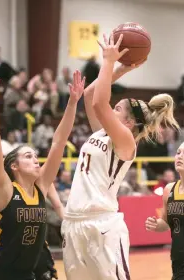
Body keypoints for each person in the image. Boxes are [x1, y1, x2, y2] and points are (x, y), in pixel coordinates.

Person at [61, 33, 179, 280]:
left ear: (129, 121)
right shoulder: (102, 133)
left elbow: (98, 103)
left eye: (117, 108)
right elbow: (91, 95)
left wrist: (108, 61)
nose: (111, 109)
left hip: (101, 225)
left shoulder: (125, 141)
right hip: (74, 221)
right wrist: (121, 69)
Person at [0, 65, 85, 280]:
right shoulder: (5, 190)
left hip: (26, 274)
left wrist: (72, 103)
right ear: (14, 166)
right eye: (28, 156)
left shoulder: (41, 188)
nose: (36, 160)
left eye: (35, 156)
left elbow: (58, 142)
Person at [0, 183, 63, 280]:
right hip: (11, 244)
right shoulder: (8, 181)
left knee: (43, 273)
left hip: (36, 245)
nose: (36, 166)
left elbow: (58, 205)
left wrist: (68, 226)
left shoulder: (42, 180)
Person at [145, 142, 184, 280]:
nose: (180, 156)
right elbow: (167, 223)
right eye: (178, 152)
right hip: (178, 263)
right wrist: (157, 224)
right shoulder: (169, 190)